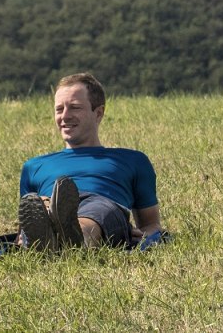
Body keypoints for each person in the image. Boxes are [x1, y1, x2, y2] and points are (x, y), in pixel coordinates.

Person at [18, 72, 163, 250]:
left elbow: (151, 224)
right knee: (41, 201)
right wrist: (21, 237)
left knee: (98, 210)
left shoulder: (132, 160)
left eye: (75, 107)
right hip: (50, 202)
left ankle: (72, 241)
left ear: (98, 113)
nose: (65, 116)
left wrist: (143, 236)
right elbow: (28, 219)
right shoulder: (33, 166)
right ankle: (52, 237)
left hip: (103, 206)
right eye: (59, 109)